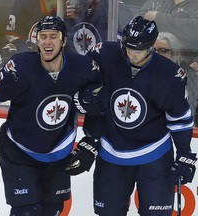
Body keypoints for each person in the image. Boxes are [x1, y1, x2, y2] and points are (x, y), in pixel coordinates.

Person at [66, 16, 197, 215]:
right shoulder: (105, 55)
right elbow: (77, 85)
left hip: (154, 155)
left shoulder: (170, 76)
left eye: (139, 49)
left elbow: (179, 120)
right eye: (128, 47)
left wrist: (185, 154)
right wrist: (91, 135)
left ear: (151, 46)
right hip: (111, 153)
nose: (132, 54)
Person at [0, 15, 106, 215]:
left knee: (52, 210)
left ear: (63, 41)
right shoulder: (20, 68)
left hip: (58, 154)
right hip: (19, 151)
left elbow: (99, 105)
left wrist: (91, 141)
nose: (47, 41)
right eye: (42, 36)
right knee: (27, 211)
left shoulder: (83, 69)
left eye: (53, 36)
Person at [64, 0, 133, 55]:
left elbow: (128, 41)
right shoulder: (73, 7)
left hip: (103, 67)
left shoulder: (115, 8)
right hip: (76, 66)